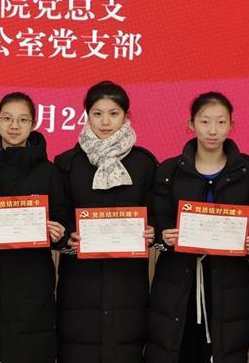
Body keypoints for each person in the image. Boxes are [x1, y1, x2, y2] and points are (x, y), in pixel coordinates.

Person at [145, 92, 249, 363]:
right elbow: (159, 220)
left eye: (221, 122)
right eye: (205, 121)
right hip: (177, 280)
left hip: (228, 281)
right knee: (177, 348)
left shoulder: (248, 171)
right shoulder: (169, 170)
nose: (212, 130)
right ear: (191, 124)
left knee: (223, 351)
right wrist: (164, 234)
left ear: (231, 125)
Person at [0, 92, 68, 363]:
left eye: (22, 119)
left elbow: (62, 222)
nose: (14, 126)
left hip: (33, 283)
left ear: (34, 124)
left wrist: (58, 233)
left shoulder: (48, 172)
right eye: (7, 118)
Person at [54, 80, 158, 363]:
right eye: (97, 113)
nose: (105, 122)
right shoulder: (67, 163)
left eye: (113, 113)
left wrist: (153, 231)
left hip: (128, 282)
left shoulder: (145, 164)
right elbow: (58, 216)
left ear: (126, 115)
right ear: (87, 114)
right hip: (79, 282)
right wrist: (67, 235)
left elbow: (157, 214)